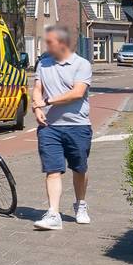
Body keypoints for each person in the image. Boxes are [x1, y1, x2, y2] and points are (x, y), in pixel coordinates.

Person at [31, 24, 94, 231]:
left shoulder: (82, 64)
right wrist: (37, 107)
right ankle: (53, 213)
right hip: (49, 127)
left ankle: (81, 204)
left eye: (50, 42)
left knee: (80, 168)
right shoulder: (43, 64)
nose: (46, 46)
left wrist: (47, 102)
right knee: (52, 170)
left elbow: (77, 93)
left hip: (78, 126)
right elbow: (37, 89)